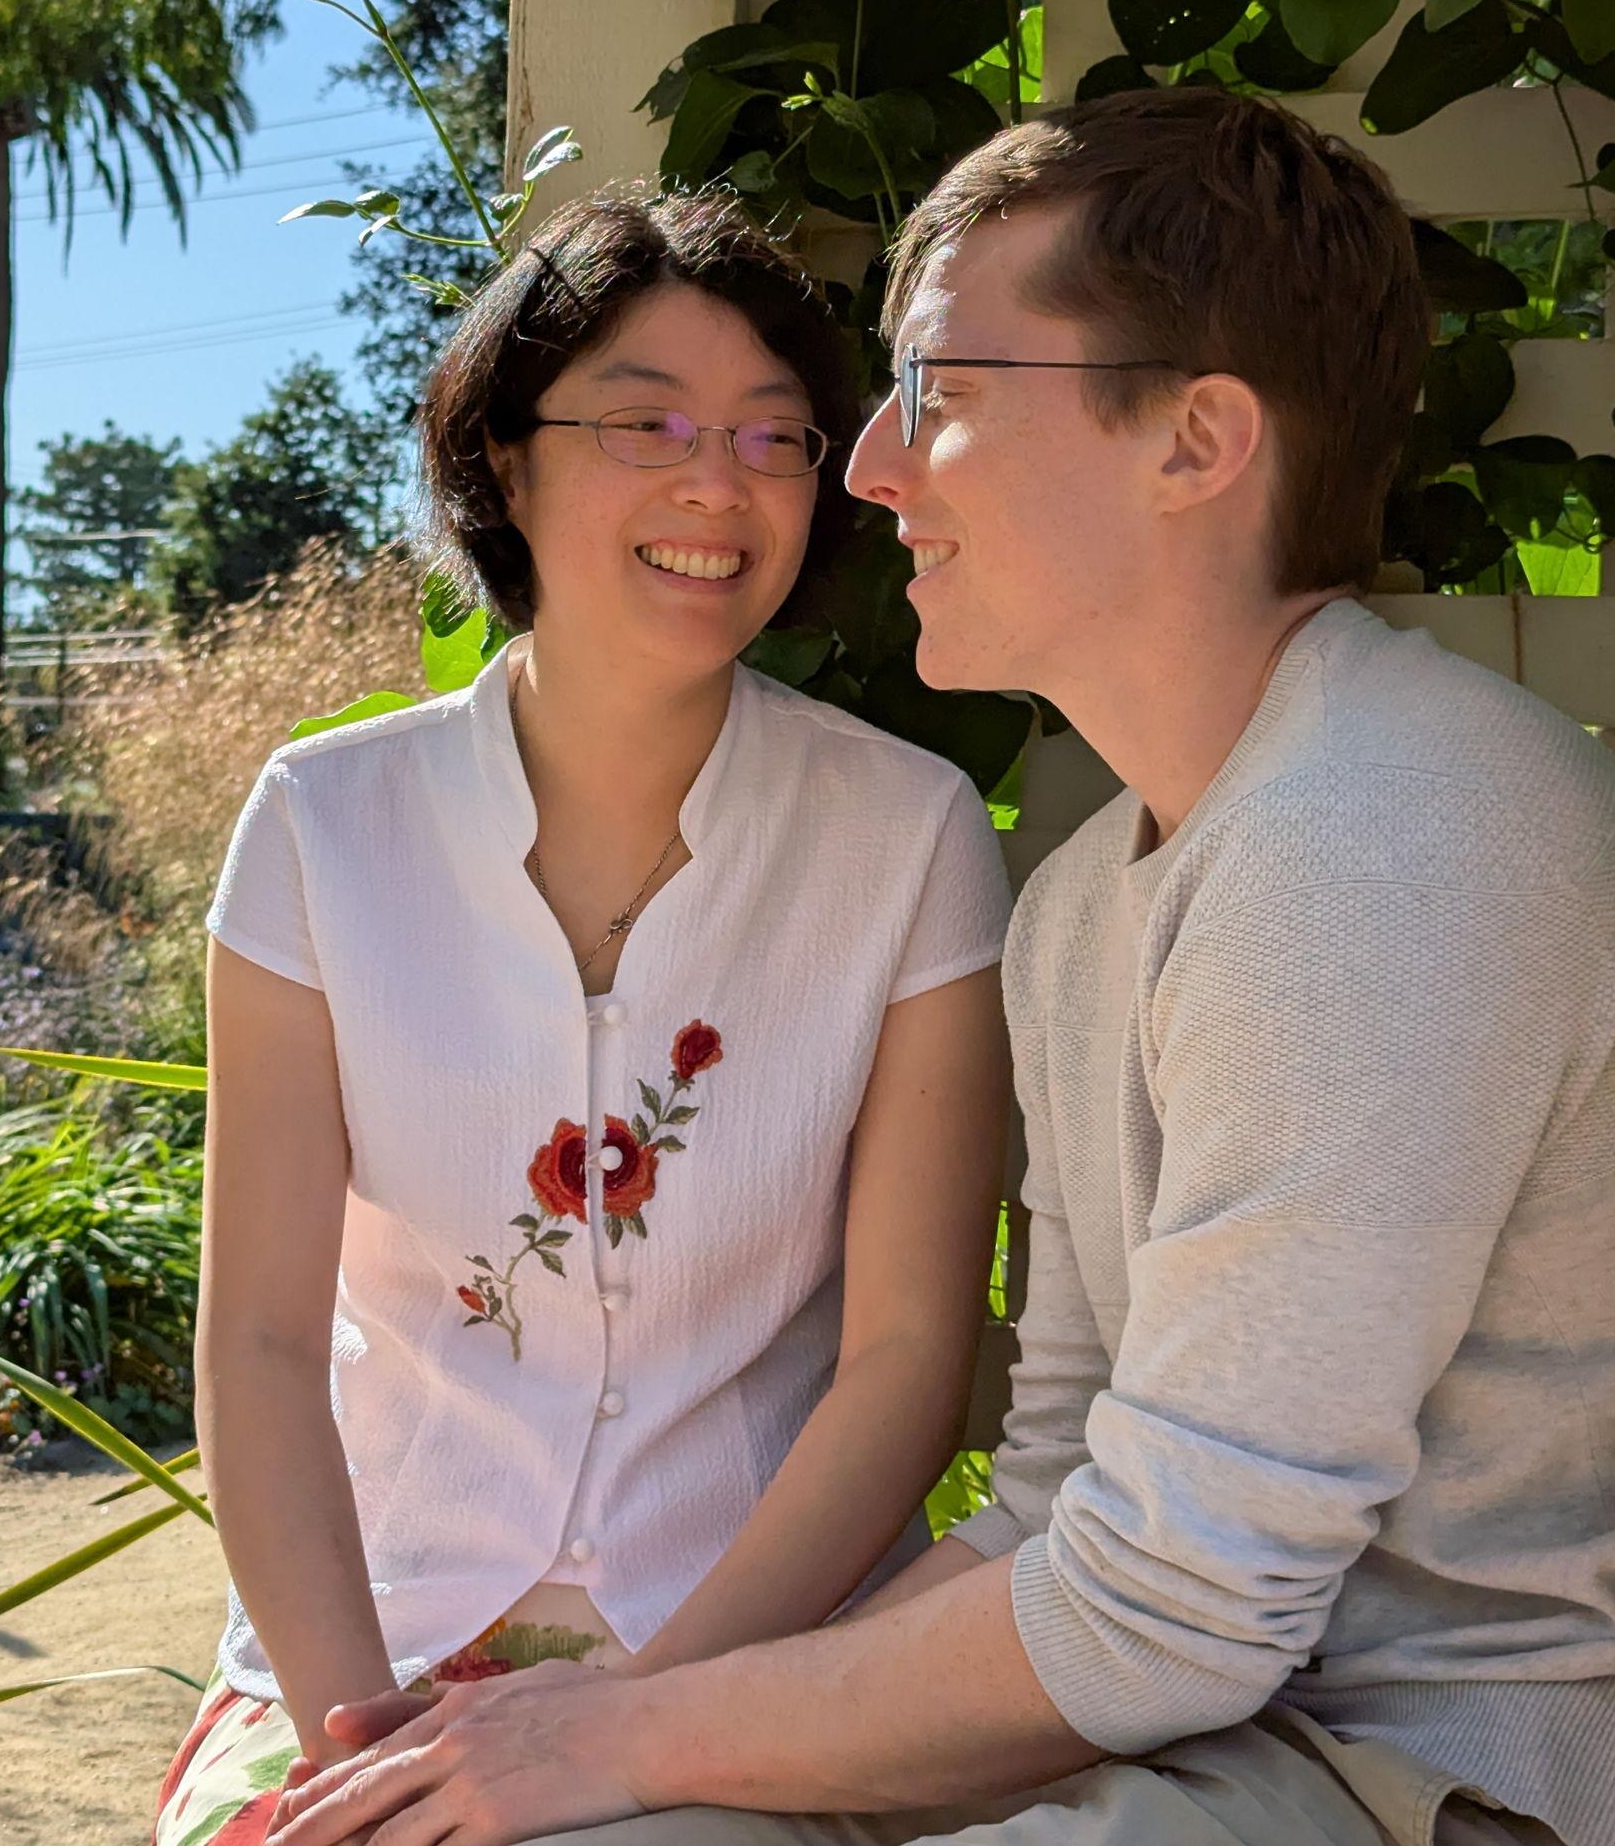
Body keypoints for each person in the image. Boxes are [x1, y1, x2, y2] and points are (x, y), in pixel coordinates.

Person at [263, 90, 1615, 1846]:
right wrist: (611, 1737)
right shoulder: (1096, 902)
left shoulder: (1387, 842)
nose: (867, 465)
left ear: (1197, 440)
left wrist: (624, 1735)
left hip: (1424, 1771)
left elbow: (1178, 1604)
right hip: (1180, 1732)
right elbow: (1054, 1497)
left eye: (940, 390)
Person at [153, 186, 1016, 1846]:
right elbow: (258, 1340)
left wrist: (644, 1719)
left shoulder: (909, 837)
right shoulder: (324, 825)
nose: (718, 482)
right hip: (377, 1638)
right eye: (647, 423)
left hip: (757, 1647)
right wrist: (349, 1744)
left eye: (773, 435)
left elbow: (911, 1356)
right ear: (504, 462)